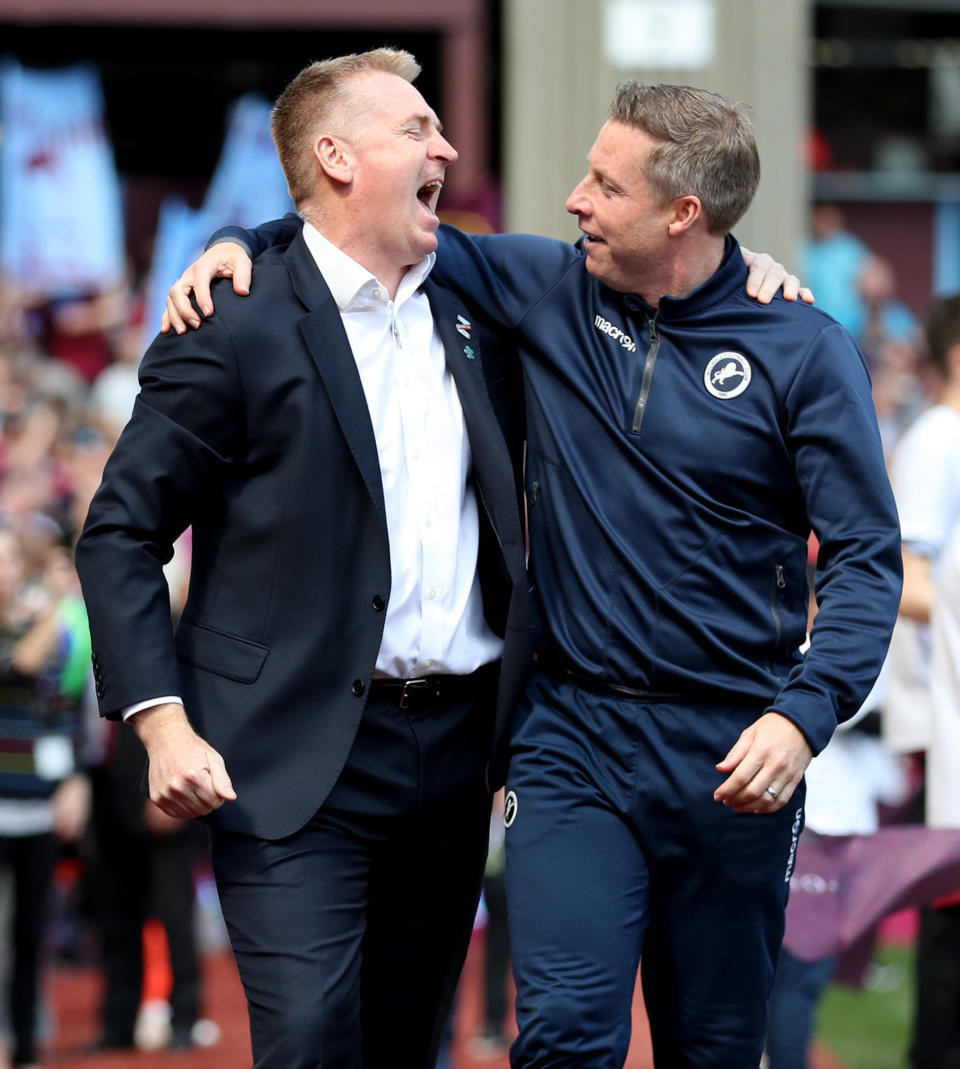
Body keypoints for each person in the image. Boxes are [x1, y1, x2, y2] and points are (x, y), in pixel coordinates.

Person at [165, 82, 895, 1068]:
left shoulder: (804, 351)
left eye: (604, 182)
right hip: (571, 739)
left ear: (683, 213)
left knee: (716, 1046)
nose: (574, 199)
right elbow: (360, 228)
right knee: (559, 1037)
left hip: (736, 753)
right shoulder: (547, 289)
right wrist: (243, 243)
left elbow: (865, 561)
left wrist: (803, 714)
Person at [75, 49, 534, 1069]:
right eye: (416, 129)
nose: (447, 147)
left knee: (408, 1045)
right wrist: (160, 724)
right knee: (311, 1046)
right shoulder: (234, 319)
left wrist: (756, 276)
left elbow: (616, 274)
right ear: (335, 154)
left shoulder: (479, 302)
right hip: (287, 758)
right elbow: (120, 531)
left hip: (456, 756)